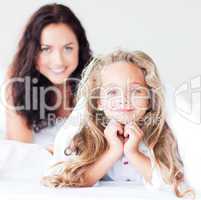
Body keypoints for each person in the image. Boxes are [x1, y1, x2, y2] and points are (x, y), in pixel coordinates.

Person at [42, 50, 194, 198]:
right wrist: (113, 151)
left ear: (149, 99)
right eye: (112, 92)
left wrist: (133, 152)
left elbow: (173, 182)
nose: (124, 99)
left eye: (136, 91)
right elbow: (71, 181)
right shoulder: (86, 135)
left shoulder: (162, 135)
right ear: (99, 102)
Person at [4, 3, 92, 147]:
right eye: (46, 49)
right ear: (32, 51)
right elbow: (21, 149)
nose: (58, 61)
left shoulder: (94, 76)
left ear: (79, 47)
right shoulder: (18, 78)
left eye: (68, 48)